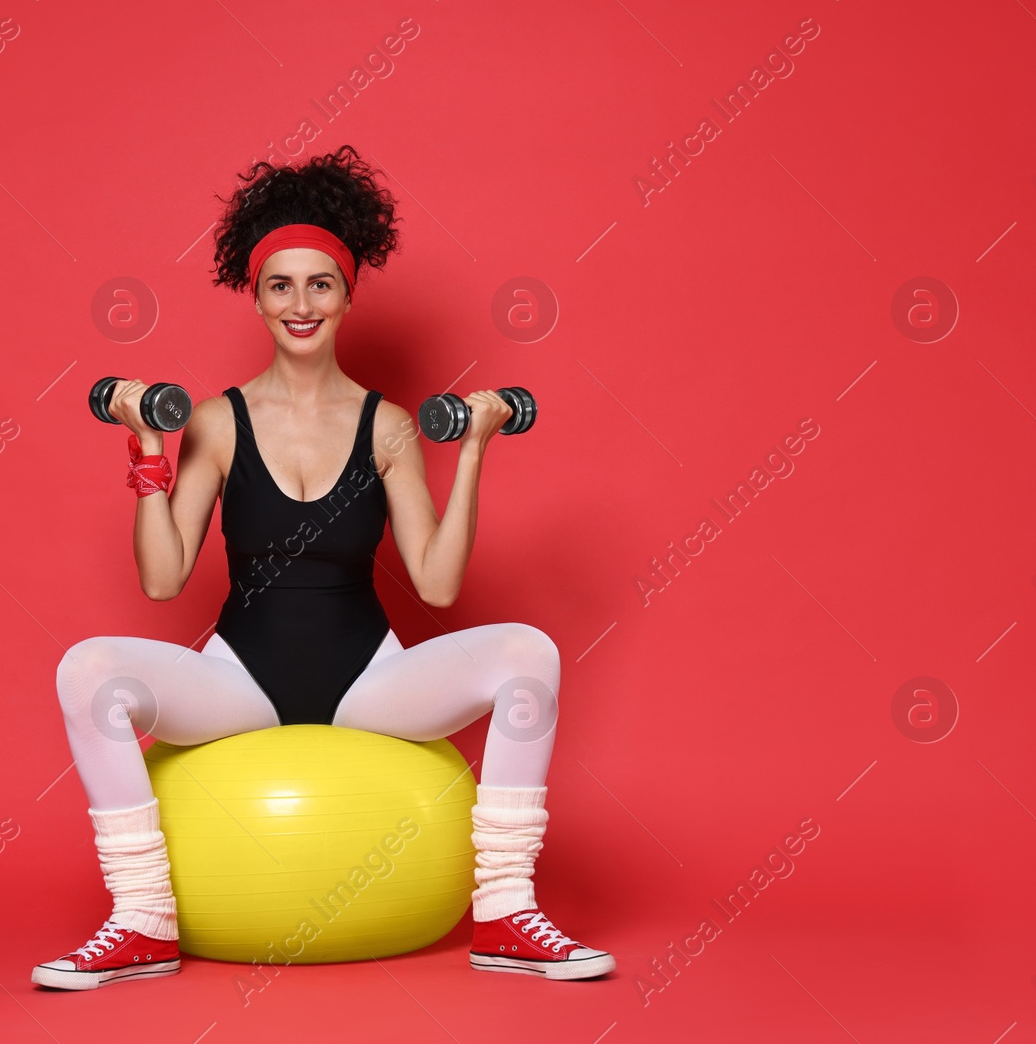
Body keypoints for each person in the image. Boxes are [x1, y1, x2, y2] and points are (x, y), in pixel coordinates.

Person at [32, 145, 614, 990]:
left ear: (346, 293)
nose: (299, 304)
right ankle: (142, 920)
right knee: (87, 670)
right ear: (257, 294)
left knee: (531, 653)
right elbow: (162, 578)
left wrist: (478, 450)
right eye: (280, 285)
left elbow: (438, 585)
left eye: (319, 284)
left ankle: (504, 910)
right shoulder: (216, 423)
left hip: (367, 684)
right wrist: (150, 450)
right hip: (241, 682)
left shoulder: (391, 428)